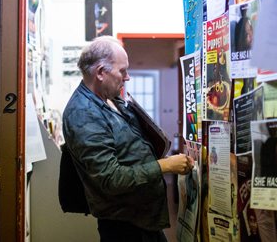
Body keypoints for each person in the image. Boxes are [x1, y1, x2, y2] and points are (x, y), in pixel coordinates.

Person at [62, 36, 194, 242]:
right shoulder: (83, 113)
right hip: (124, 226)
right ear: (100, 73)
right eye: (122, 71)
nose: (127, 77)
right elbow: (110, 178)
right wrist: (165, 166)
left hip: (140, 219)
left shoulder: (107, 99)